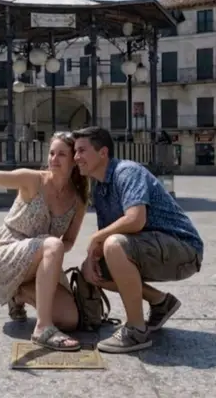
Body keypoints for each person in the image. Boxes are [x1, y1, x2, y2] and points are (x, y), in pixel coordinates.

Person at [0, 133, 90, 352]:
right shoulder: (33, 179)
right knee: (53, 245)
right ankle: (43, 328)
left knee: (70, 320)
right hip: (4, 251)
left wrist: (50, 253)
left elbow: (68, 241)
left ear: (73, 160)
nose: (54, 159)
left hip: (38, 260)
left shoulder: (78, 200)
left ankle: (17, 294)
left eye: (62, 154)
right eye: (51, 153)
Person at [72, 127, 204, 354]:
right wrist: (91, 259)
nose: (76, 158)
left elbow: (135, 220)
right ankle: (161, 303)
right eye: (74, 152)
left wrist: (95, 238)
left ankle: (136, 331)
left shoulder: (127, 172)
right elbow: (112, 235)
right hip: (151, 247)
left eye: (82, 151)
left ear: (102, 153)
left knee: (114, 244)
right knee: (92, 271)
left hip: (183, 249)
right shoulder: (101, 187)